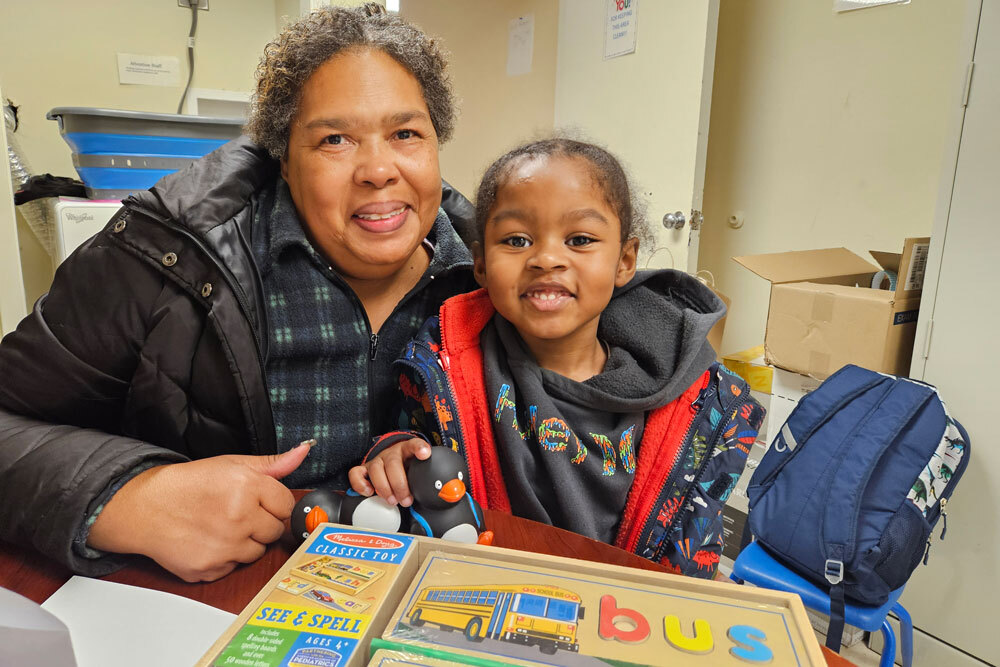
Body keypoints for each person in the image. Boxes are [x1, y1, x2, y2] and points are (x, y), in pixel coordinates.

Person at [0, 4, 478, 582]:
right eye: (334, 139)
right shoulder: (167, 255)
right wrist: (128, 498)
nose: (379, 169)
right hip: (206, 601)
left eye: (406, 133)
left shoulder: (493, 277)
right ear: (284, 160)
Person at [349, 139, 766, 578]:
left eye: (580, 239)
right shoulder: (445, 360)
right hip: (486, 599)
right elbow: (413, 445)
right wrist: (393, 453)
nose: (546, 258)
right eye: (516, 240)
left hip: (625, 615)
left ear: (624, 261)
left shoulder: (698, 400)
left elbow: (692, 547)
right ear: (482, 265)